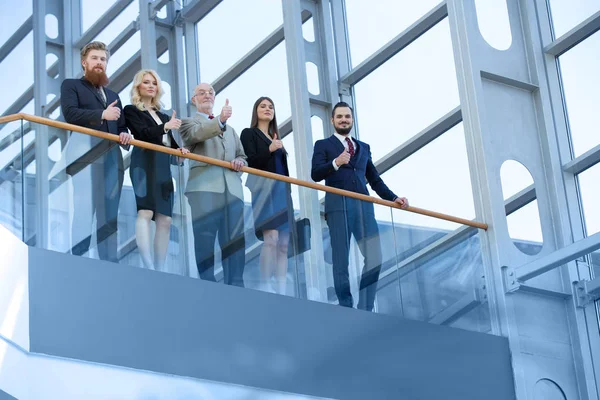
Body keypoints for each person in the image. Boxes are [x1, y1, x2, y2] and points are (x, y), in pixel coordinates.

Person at [311, 102, 409, 311]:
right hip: (338, 207)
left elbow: (374, 179)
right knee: (341, 259)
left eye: (347, 116)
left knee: (375, 257)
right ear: (332, 120)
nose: (343, 120)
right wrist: (336, 162)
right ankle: (345, 305)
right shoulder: (323, 145)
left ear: (352, 120)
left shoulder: (363, 147)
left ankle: (365, 306)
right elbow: (315, 174)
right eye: (339, 117)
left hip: (364, 207)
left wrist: (394, 198)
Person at [60, 41, 132, 262]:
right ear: (84, 62)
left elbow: (121, 126)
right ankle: (78, 259)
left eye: (103, 59)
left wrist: (125, 135)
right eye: (95, 58)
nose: (99, 63)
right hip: (85, 156)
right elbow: (71, 114)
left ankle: (109, 263)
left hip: (112, 159)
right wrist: (102, 115)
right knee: (84, 209)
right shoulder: (71, 85)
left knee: (110, 213)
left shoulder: (113, 95)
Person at [179, 83, 247, 287]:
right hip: (204, 188)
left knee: (235, 239)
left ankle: (236, 283)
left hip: (232, 190)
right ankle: (207, 281)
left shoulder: (231, 130)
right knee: (205, 236)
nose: (207, 95)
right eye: (202, 93)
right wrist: (221, 120)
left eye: (210, 93)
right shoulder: (187, 122)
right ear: (194, 99)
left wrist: (241, 162)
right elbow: (195, 136)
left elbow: (242, 155)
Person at [123, 69, 189, 271]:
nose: (151, 86)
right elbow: (142, 134)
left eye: (154, 83)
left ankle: (160, 266)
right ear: (138, 87)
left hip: (162, 167)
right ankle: (147, 263)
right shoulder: (132, 110)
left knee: (166, 219)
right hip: (143, 162)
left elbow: (169, 144)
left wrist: (179, 151)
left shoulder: (163, 115)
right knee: (145, 211)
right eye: (146, 82)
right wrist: (166, 127)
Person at [240, 97, 293, 295]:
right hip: (263, 190)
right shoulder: (249, 133)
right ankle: (265, 284)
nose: (267, 109)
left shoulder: (276, 137)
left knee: (284, 244)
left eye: (271, 107)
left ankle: (281, 288)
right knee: (270, 238)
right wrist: (269, 149)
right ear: (256, 111)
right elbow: (250, 161)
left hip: (282, 192)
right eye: (263, 106)